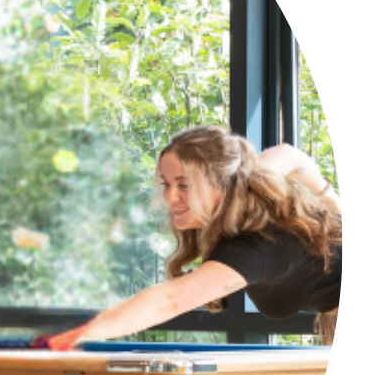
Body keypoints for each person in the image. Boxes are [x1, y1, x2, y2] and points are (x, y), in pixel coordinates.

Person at [48, 126, 343, 351]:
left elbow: (169, 301)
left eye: (183, 185)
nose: (169, 197)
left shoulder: (256, 245)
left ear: (221, 184)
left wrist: (72, 333)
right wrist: (334, 205)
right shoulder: (251, 180)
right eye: (166, 183)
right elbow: (290, 154)